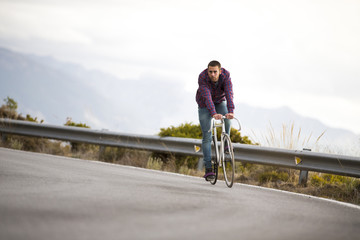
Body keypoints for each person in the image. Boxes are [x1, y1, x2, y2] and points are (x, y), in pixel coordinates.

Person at [196, 60, 235, 181]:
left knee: (227, 118)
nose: (212, 74)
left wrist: (231, 111)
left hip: (219, 101)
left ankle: (226, 142)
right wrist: (213, 113)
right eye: (210, 72)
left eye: (215, 72)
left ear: (220, 70)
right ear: (207, 71)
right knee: (207, 135)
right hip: (204, 105)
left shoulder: (226, 76)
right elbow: (207, 97)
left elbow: (229, 93)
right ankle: (208, 169)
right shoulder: (202, 77)